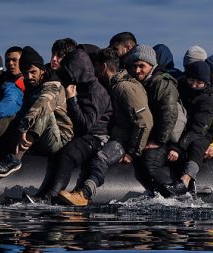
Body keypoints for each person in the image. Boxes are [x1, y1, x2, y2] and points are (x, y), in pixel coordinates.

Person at [58, 48, 153, 206]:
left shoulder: (125, 88)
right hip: (115, 134)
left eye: (94, 67)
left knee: (102, 157)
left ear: (102, 67)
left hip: (125, 140)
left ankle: (84, 194)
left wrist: (133, 152)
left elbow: (145, 121)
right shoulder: (113, 85)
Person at [24, 48, 113, 204]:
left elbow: (85, 125)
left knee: (67, 155)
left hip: (95, 137)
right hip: (80, 134)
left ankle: (49, 196)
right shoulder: (81, 86)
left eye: (69, 71)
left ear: (78, 70)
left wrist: (72, 100)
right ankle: (42, 193)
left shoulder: (95, 91)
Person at [0, 46, 74, 178]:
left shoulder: (53, 85)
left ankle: (15, 160)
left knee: (43, 112)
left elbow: (42, 104)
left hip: (58, 140)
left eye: (33, 72)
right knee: (17, 112)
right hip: (35, 138)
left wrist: (23, 127)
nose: (29, 76)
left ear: (42, 71)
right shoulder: (27, 84)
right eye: (26, 73)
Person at [127, 44, 186, 196]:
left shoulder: (161, 82)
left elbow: (169, 113)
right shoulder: (142, 82)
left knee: (150, 164)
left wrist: (158, 141)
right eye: (135, 66)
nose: (137, 70)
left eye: (142, 66)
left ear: (152, 65)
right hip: (152, 134)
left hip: (165, 138)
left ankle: (175, 194)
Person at [164, 61, 213, 196]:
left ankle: (186, 180)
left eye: (199, 82)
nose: (194, 85)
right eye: (191, 80)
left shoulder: (209, 100)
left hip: (201, 133)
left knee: (198, 145)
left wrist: (178, 148)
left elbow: (197, 129)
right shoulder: (181, 85)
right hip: (178, 129)